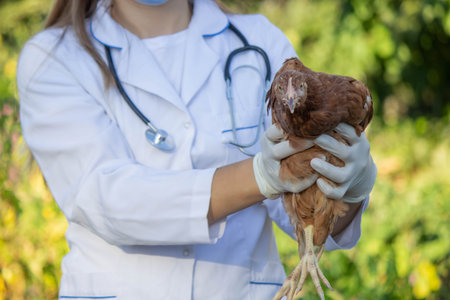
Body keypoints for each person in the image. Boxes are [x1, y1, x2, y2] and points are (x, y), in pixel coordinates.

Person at [17, 0, 377, 299]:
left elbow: (303, 213)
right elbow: (106, 199)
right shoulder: (54, 58)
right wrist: (259, 176)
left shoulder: (259, 41)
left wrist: (346, 185)